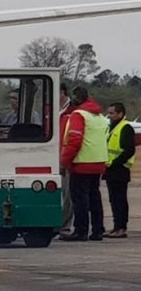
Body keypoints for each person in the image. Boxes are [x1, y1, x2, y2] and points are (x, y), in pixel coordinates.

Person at [60, 86, 108, 241]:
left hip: (81, 163)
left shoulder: (78, 115)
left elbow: (74, 140)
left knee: (80, 199)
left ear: (76, 98)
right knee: (95, 197)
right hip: (98, 162)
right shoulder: (99, 116)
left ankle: (81, 231)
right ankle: (98, 230)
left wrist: (64, 161)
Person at [104, 102, 136, 238]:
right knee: (113, 199)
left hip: (120, 169)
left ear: (120, 114)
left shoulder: (125, 127)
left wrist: (114, 163)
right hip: (110, 169)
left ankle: (121, 227)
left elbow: (129, 150)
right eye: (109, 113)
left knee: (120, 200)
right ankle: (116, 226)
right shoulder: (111, 127)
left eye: (112, 113)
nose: (109, 116)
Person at [59, 83, 75, 238]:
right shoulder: (55, 112)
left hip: (66, 159)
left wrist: (64, 160)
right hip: (54, 156)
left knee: (67, 193)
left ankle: (65, 226)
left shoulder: (72, 113)